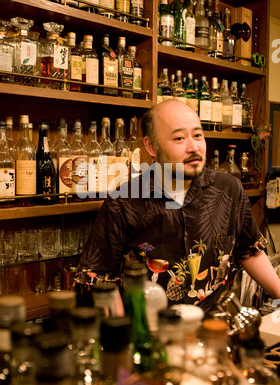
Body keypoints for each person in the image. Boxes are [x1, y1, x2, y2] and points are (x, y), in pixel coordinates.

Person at [80, 100, 280, 315]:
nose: (193, 147)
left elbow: (249, 251)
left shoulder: (228, 189)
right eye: (179, 138)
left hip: (216, 328)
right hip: (153, 333)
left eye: (198, 135)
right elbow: (99, 279)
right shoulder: (123, 202)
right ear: (151, 147)